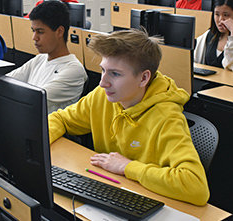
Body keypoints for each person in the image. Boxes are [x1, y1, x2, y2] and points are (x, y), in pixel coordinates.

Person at [48, 29, 210, 206]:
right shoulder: (103, 96)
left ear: (143, 78)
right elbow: (62, 119)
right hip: (111, 192)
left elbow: (196, 186)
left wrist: (127, 167)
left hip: (149, 203)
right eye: (103, 70)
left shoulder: (167, 118)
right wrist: (35, 142)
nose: (103, 82)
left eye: (115, 74)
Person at [6, 0, 87, 113]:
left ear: (59, 32)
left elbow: (34, 99)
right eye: (33, 31)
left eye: (40, 32)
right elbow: (6, 82)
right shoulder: (40, 58)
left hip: (45, 129)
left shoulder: (74, 70)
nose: (34, 37)